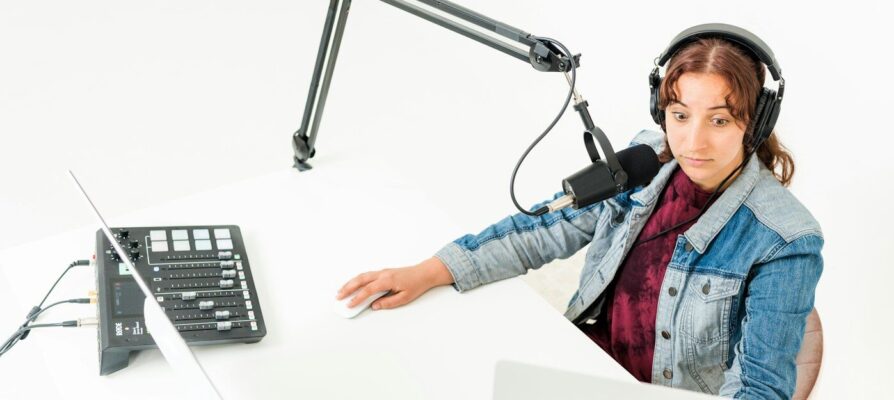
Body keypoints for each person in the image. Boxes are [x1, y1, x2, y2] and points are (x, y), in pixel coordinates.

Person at [337, 24, 823, 399]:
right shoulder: (644, 162)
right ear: (661, 112)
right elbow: (545, 228)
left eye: (719, 120)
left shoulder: (786, 238)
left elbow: (759, 388)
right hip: (587, 370)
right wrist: (430, 270)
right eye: (680, 115)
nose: (691, 142)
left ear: (754, 122)